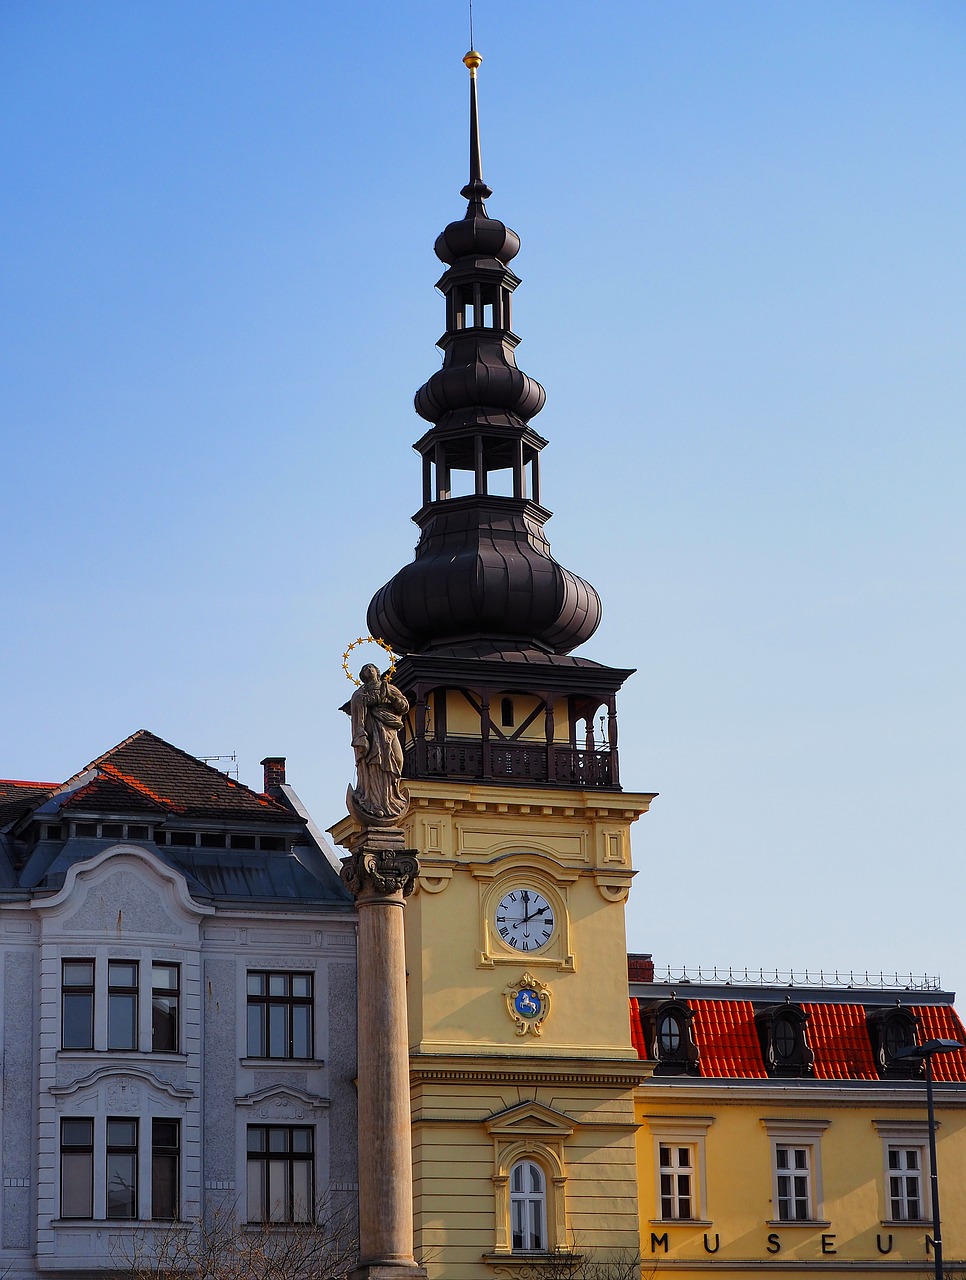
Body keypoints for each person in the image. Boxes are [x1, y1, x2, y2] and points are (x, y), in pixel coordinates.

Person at [349, 664, 410, 822]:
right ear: (362, 675)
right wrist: (367, 702)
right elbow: (357, 710)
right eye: (364, 669)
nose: (368, 670)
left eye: (371, 667)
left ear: (377, 671)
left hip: (389, 729)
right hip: (372, 731)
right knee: (375, 764)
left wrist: (391, 697)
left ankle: (391, 798)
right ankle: (376, 802)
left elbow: (404, 707)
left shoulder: (389, 688)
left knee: (397, 759)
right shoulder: (360, 693)